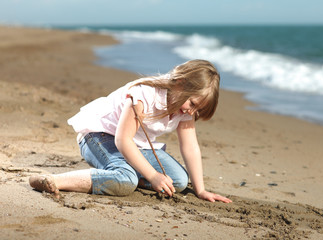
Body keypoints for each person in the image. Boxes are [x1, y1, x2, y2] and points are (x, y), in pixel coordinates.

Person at [29, 59, 232, 203]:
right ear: (180, 83)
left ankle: (126, 171)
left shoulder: (185, 110)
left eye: (198, 110)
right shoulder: (144, 95)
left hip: (136, 145)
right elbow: (123, 140)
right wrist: (152, 176)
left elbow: (190, 147)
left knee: (178, 181)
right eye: (192, 103)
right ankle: (55, 181)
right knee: (126, 180)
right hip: (99, 136)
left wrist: (201, 189)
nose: (191, 111)